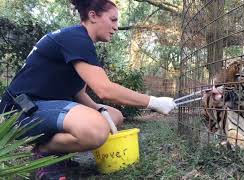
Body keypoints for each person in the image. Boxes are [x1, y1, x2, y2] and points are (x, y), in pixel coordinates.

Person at [0, 0, 176, 179]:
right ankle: (45, 151)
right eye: (113, 20)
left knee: (114, 116)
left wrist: (100, 110)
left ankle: (58, 152)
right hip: (20, 111)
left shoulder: (81, 42)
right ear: (93, 16)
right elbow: (104, 90)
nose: (116, 27)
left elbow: (79, 93)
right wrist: (153, 102)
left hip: (44, 107)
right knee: (96, 129)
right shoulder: (75, 38)